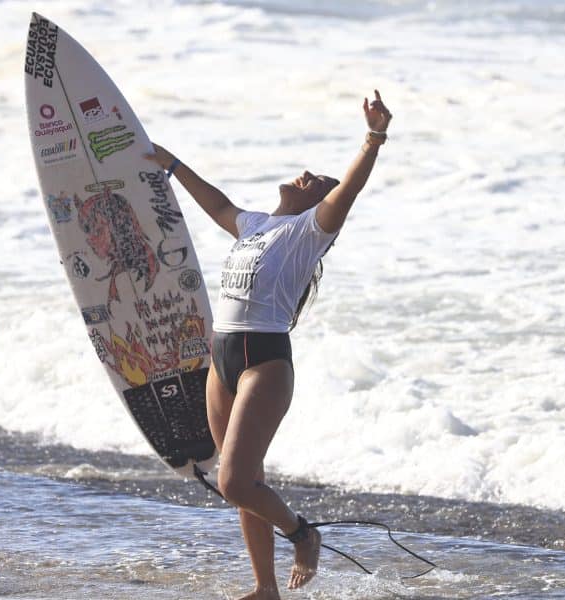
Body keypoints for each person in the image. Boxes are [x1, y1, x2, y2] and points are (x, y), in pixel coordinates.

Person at [145, 90, 392, 599]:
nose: (307, 174)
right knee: (245, 485)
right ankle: (265, 589)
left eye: (317, 182)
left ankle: (304, 535)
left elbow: (349, 189)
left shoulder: (308, 231)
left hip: (265, 363)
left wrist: (374, 136)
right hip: (223, 358)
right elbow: (215, 202)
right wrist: (171, 163)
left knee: (235, 481)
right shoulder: (255, 225)